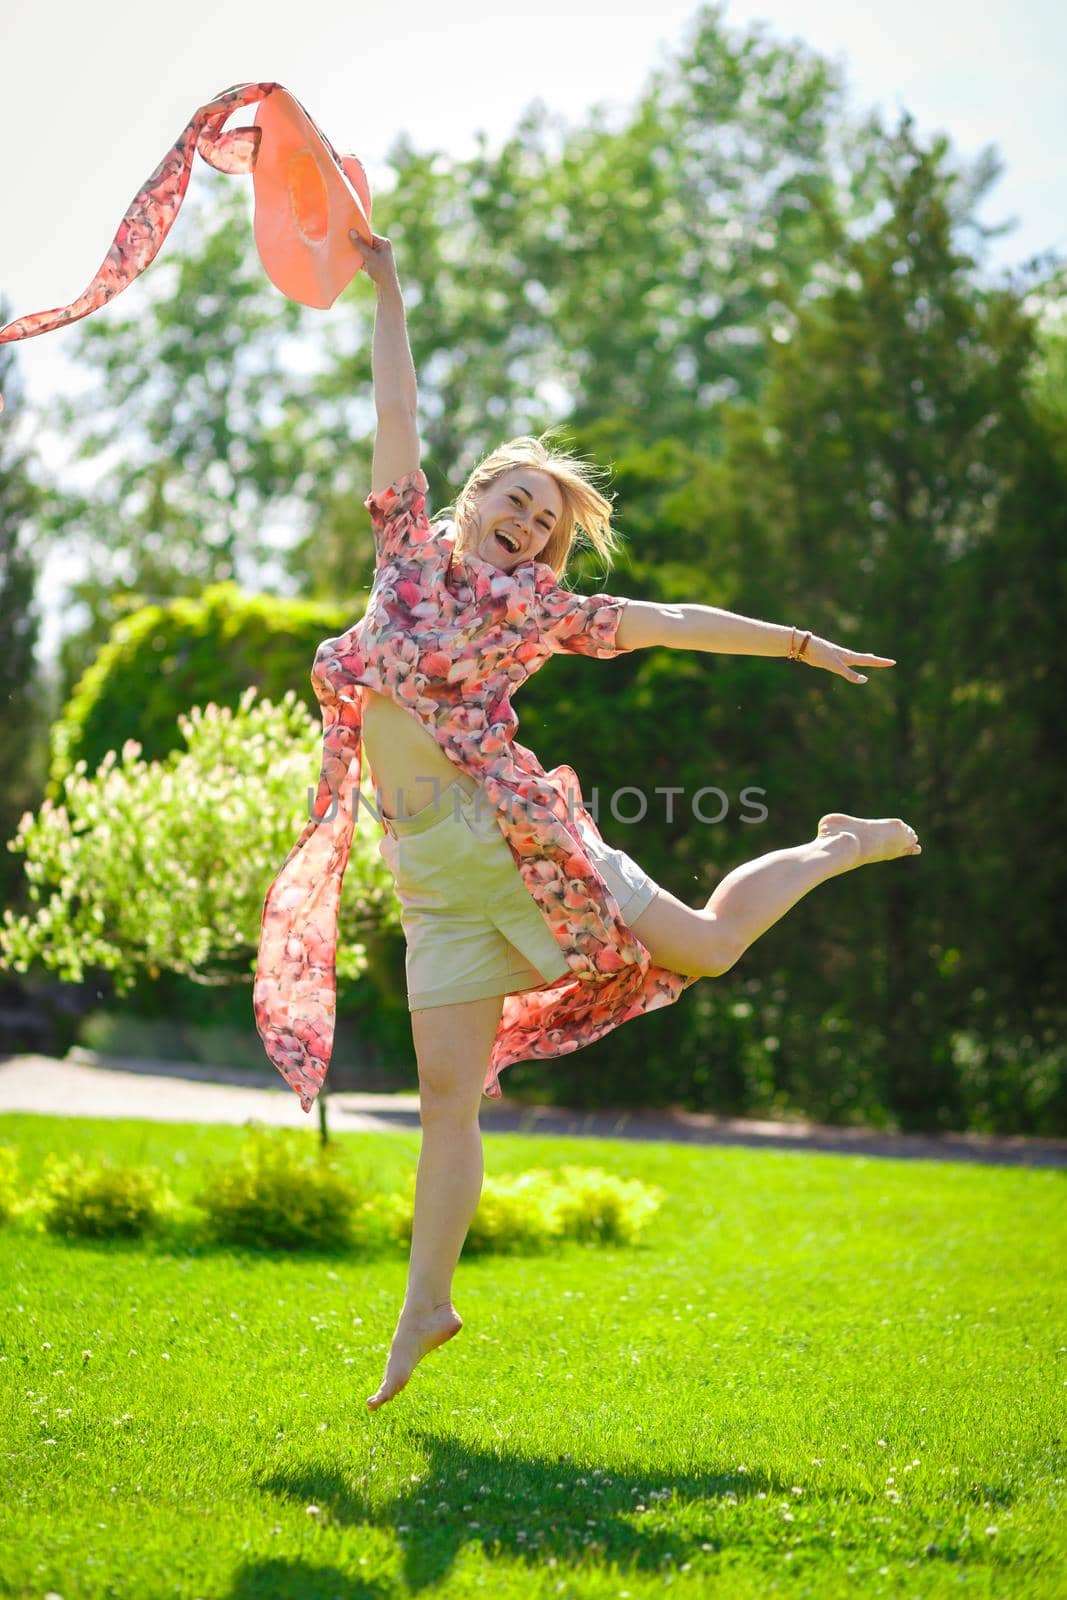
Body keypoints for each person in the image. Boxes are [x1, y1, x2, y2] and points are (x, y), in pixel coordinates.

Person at [261, 229, 920, 1413]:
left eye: (546, 525)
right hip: (431, 883)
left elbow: (668, 617)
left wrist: (798, 643)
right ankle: (425, 1305)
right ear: (470, 499)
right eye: (515, 503)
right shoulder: (404, 557)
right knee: (445, 1099)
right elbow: (393, 399)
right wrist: (392, 285)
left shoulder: (545, 612)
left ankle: (835, 843)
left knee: (708, 948)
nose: (527, 526)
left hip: (524, 845)